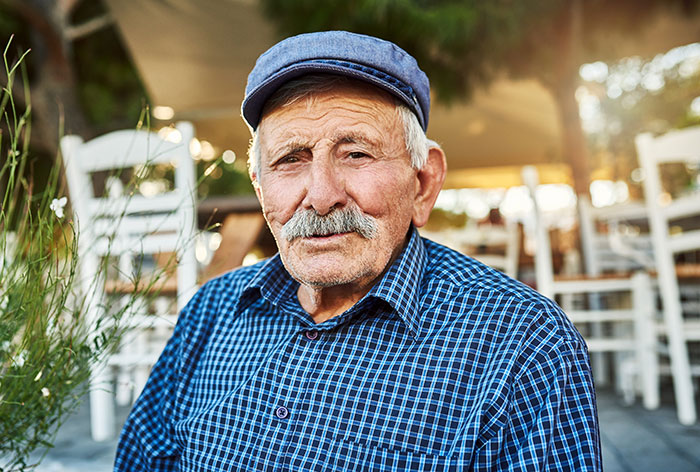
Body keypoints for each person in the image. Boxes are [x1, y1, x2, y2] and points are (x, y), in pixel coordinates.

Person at [115, 31, 601, 471]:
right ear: (262, 191)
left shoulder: (521, 345)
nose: (322, 195)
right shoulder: (210, 312)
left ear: (424, 182)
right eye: (290, 159)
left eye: (356, 154)